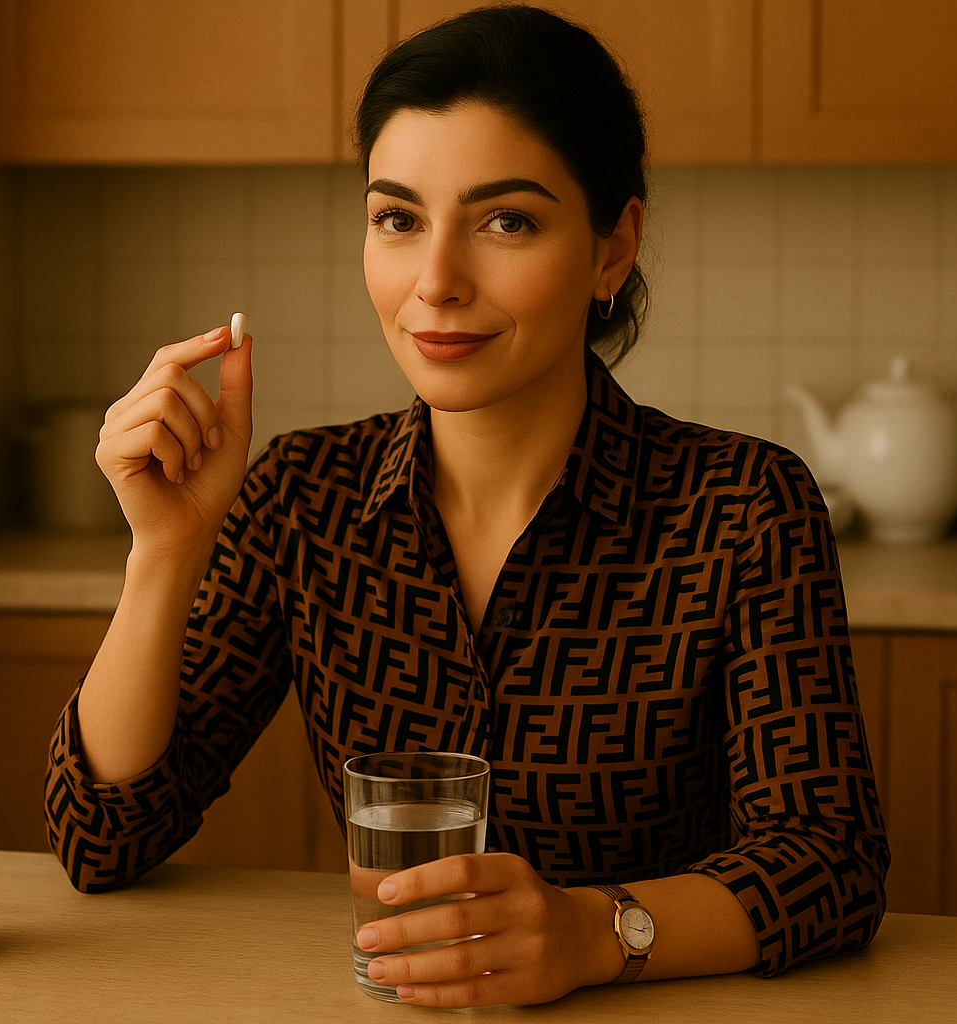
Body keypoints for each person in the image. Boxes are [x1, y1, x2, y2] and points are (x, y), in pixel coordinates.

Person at [44, 4, 887, 1007]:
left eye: (506, 221)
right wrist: (165, 552)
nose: (434, 282)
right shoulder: (304, 497)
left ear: (613, 248)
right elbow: (100, 838)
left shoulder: (744, 505)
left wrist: (597, 930)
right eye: (398, 219)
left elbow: (829, 862)